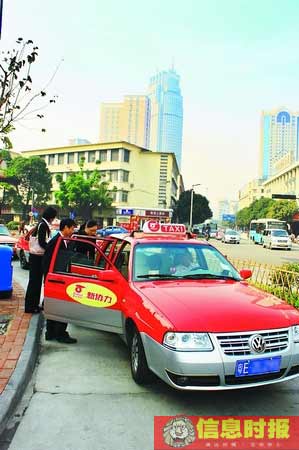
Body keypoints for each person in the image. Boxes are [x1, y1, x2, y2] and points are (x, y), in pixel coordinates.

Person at [43, 218, 77, 344]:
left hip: (59, 278)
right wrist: (48, 280)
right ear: (66, 228)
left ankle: (51, 332)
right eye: (72, 228)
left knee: (54, 307)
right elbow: (46, 262)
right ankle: (60, 334)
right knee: (61, 308)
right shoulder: (56, 241)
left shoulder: (64, 241)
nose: (73, 231)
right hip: (56, 279)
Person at [24, 206, 57, 314]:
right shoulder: (43, 225)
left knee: (36, 282)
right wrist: (51, 249)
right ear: (51, 217)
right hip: (37, 257)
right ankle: (30, 307)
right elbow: (42, 243)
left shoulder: (41, 224)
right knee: (35, 282)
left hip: (36, 256)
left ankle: (33, 305)